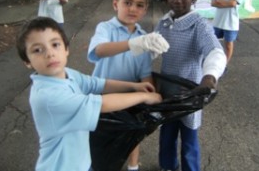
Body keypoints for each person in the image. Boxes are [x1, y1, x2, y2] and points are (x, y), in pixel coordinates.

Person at [16, 17, 162, 171]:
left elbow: (97, 84)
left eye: (55, 44)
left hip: (81, 163)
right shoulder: (47, 97)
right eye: (37, 50)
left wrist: (134, 86)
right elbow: (101, 103)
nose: (49, 54)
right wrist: (145, 96)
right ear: (27, 61)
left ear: (66, 49)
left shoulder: (66, 74)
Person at [87, 0, 169, 171]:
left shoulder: (143, 37)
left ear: (146, 9)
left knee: (133, 134)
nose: (133, 9)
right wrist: (134, 44)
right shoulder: (105, 28)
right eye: (128, 2)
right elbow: (99, 50)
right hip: (104, 97)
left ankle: (133, 167)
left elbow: (145, 74)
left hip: (131, 97)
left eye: (139, 5)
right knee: (101, 139)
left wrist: (150, 98)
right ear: (116, 4)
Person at [155, 0, 227, 171]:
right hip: (167, 95)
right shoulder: (163, 24)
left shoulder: (200, 26)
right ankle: (168, 166)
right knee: (166, 135)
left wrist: (210, 76)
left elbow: (215, 51)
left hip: (191, 95)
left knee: (189, 138)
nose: (177, 0)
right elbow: (150, 48)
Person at [211, 0, 245, 70]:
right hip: (218, 21)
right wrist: (227, 2)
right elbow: (213, 3)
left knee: (228, 45)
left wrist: (221, 1)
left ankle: (224, 65)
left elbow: (233, 4)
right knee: (212, 42)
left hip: (231, 23)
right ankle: (214, 62)